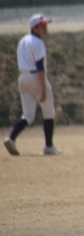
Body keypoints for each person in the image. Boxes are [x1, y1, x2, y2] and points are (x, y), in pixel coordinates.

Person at [4, 13, 62, 156]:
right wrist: (43, 89)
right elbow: (40, 67)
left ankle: (11, 138)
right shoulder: (38, 43)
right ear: (34, 28)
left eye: (45, 25)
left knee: (28, 116)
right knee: (49, 112)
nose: (45, 28)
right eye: (42, 26)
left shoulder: (23, 41)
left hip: (23, 78)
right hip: (36, 77)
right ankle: (49, 146)